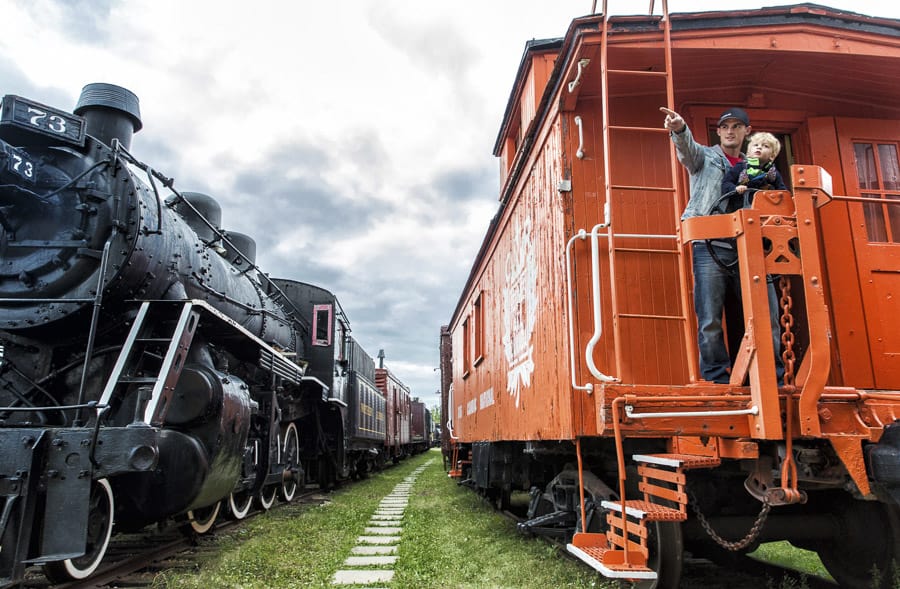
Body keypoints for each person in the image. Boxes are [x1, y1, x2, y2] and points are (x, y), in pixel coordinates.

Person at [662, 106, 750, 383]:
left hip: (744, 244)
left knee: (753, 312)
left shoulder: (754, 166)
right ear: (719, 131)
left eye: (737, 126)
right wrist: (679, 129)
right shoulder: (706, 158)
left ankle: (757, 370)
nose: (730, 131)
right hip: (710, 244)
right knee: (710, 315)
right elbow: (688, 150)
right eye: (725, 126)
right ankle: (716, 374)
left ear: (746, 131)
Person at [721, 131, 788, 208]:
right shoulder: (741, 167)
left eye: (765, 146)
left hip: (767, 208)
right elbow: (726, 183)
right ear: (748, 153)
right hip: (742, 208)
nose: (759, 147)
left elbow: (783, 192)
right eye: (756, 145)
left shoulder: (773, 173)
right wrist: (735, 188)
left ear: (772, 156)